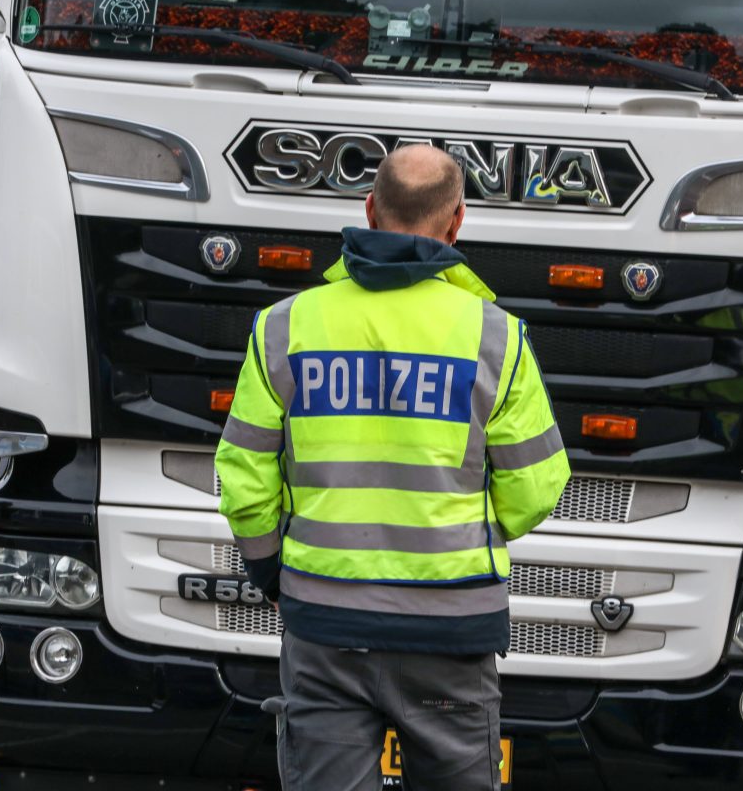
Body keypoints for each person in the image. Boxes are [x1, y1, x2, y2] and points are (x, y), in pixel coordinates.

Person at [214, 144, 570, 791]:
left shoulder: (284, 328)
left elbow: (244, 476)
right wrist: (454, 536)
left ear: (370, 209)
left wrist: (271, 568)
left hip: (324, 626)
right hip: (451, 632)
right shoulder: (496, 337)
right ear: (456, 220)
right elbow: (535, 488)